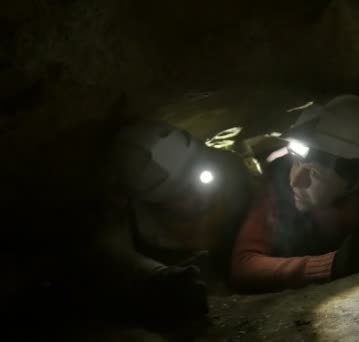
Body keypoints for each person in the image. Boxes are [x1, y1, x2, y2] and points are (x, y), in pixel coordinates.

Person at [92, 120, 253, 327]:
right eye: (184, 193)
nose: (199, 194)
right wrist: (160, 275)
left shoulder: (232, 177)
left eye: (200, 179)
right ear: (155, 202)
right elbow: (113, 252)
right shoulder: (136, 224)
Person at [230, 94, 359, 293]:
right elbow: (243, 266)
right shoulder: (278, 183)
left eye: (314, 173)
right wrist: (328, 265)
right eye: (296, 162)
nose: (295, 180)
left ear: (353, 182)